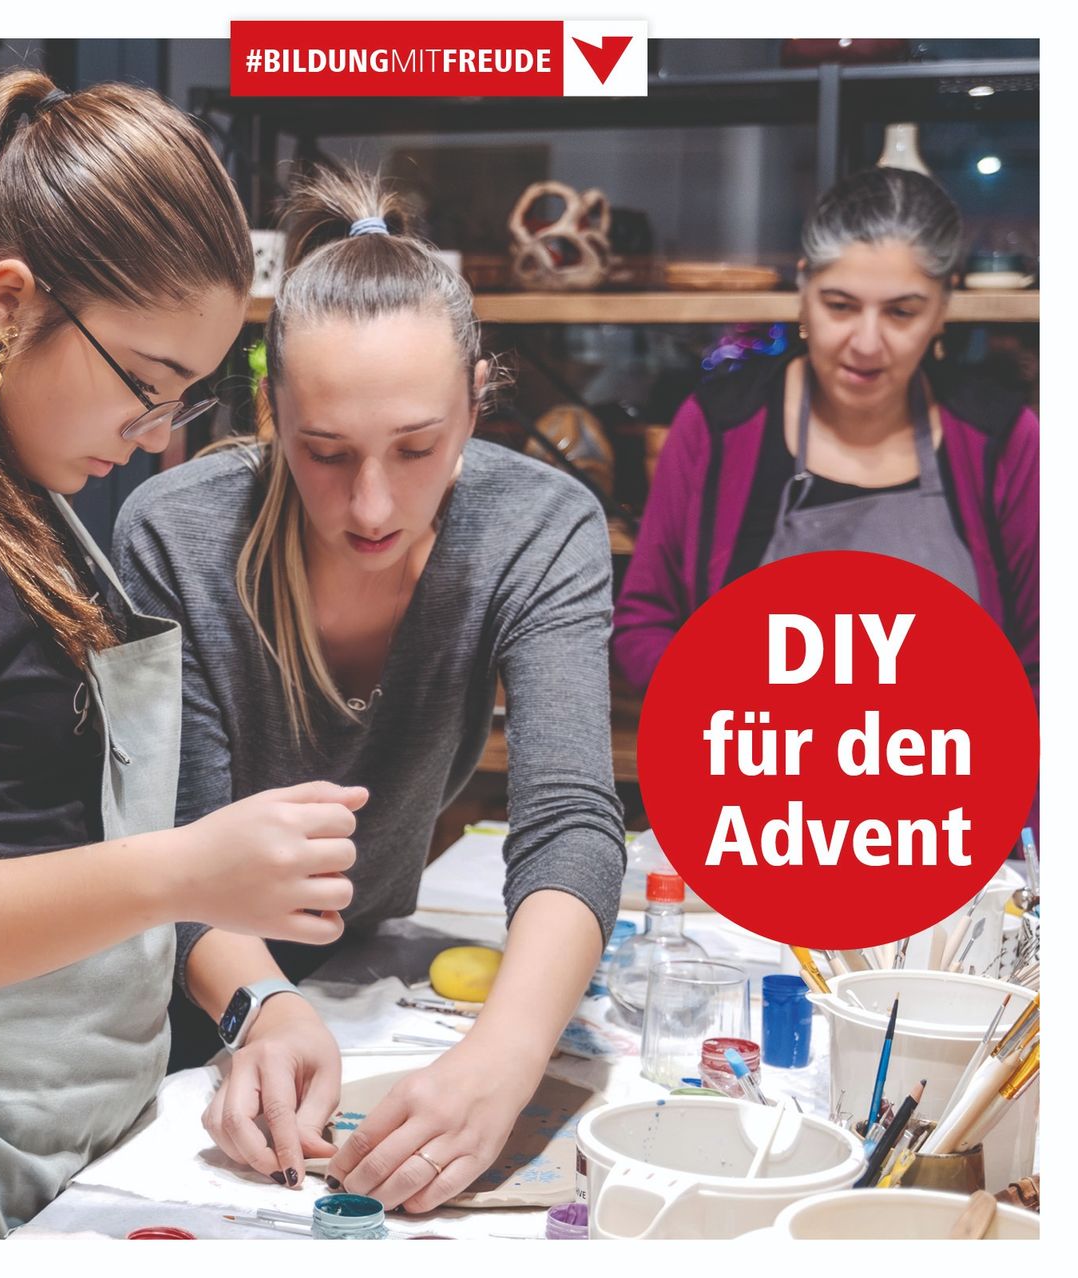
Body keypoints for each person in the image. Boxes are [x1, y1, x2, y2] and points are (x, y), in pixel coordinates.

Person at [0, 70, 366, 1237]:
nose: (150, 435)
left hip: (71, 1129)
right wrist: (185, 870)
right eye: (144, 384)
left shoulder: (27, 483)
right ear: (11, 300)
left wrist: (259, 1004)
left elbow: (90, 836)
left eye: (184, 398)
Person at [113, 167, 627, 1213]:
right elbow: (173, 843)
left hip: (379, 976)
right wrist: (262, 1008)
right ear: (271, 408)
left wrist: (509, 1055)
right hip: (193, 1003)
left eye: (418, 448)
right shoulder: (178, 533)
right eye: (327, 454)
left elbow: (570, 814)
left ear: (478, 398)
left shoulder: (540, 526)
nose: (374, 504)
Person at [613, 167, 1038, 736]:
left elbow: (1046, 662)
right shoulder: (719, 427)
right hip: (756, 796)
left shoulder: (1002, 440)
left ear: (943, 306)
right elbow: (644, 621)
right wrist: (724, 710)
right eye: (840, 305)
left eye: (901, 312)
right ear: (804, 291)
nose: (866, 343)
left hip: (955, 801)